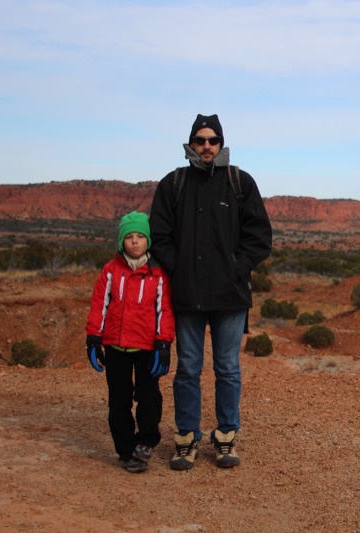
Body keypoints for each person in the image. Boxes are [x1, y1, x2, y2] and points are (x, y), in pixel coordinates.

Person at [149, 114, 272, 471]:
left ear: (221, 144)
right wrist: (179, 268)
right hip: (187, 294)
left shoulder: (239, 182)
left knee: (227, 368)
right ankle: (186, 439)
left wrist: (236, 268)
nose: (206, 146)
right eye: (200, 140)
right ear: (191, 143)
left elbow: (260, 236)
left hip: (230, 297)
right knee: (188, 368)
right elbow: (159, 235)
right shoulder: (174, 183)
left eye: (212, 140)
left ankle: (225, 437)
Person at [85, 211, 175, 473]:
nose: (135, 241)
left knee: (148, 398)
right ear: (121, 241)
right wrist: (93, 338)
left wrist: (164, 344)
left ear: (148, 240)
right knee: (119, 400)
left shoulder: (158, 274)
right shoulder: (111, 271)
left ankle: (146, 441)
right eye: (129, 237)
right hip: (116, 347)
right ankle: (126, 450)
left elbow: (165, 311)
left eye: (140, 236)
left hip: (147, 347)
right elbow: (99, 305)